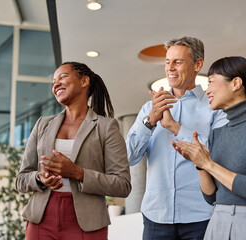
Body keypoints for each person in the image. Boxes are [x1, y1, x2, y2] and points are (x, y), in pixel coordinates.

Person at [126, 36, 228, 240]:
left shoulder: (214, 107)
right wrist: (150, 121)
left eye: (178, 62)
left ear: (198, 64)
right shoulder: (149, 108)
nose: (170, 68)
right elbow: (129, 157)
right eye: (167, 62)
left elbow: (218, 155)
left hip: (200, 217)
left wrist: (174, 126)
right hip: (156, 217)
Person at [15, 61, 131, 239]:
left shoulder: (106, 127)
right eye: (53, 82)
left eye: (62, 77)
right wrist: (40, 178)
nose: (56, 84)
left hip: (88, 223)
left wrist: (78, 173)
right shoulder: (42, 125)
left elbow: (122, 184)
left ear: (84, 81)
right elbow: (21, 180)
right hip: (41, 220)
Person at [172, 56, 246, 240]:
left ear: (236, 83)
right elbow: (211, 197)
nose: (207, 90)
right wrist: (199, 164)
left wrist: (209, 164)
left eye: (212, 82)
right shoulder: (217, 133)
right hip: (217, 220)